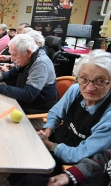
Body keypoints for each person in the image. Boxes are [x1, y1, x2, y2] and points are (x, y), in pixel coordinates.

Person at [11, 50, 111, 186]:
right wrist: (48, 128)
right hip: (59, 139)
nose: (89, 87)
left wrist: (50, 145)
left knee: (32, 180)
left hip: (76, 161)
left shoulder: (108, 116)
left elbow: (80, 154)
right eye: (84, 79)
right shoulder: (75, 90)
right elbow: (55, 113)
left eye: (100, 81)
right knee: (23, 157)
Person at [0, 34, 57, 114]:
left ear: (28, 52)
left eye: (14, 55)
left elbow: (28, 95)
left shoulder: (41, 64)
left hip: (36, 108)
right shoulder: (27, 58)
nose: (11, 59)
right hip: (24, 102)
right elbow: (12, 74)